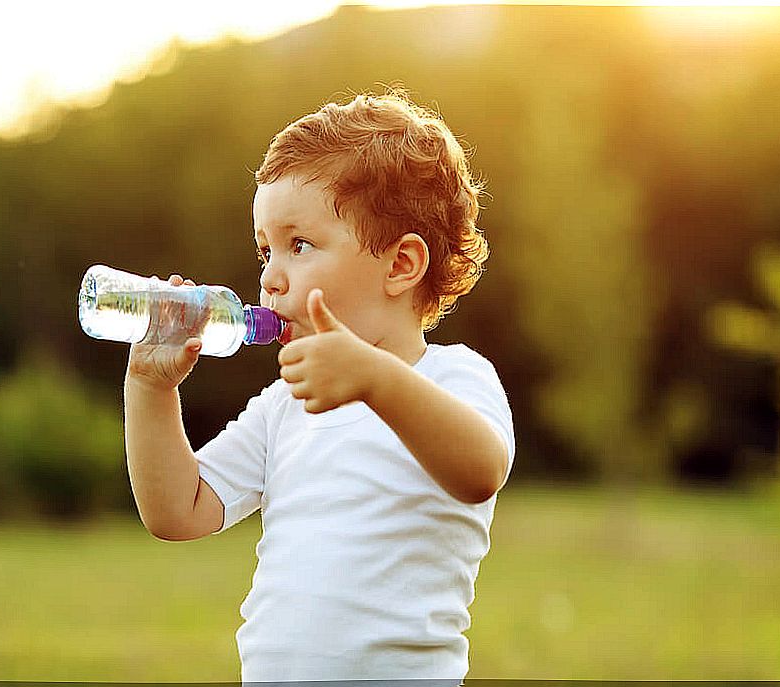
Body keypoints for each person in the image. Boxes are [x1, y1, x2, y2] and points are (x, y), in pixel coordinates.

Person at [124, 90, 515, 683]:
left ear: (401, 265)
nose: (270, 277)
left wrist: (373, 377)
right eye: (265, 251)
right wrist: (151, 389)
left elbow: (480, 470)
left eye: (298, 245)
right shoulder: (284, 406)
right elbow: (180, 511)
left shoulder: (453, 377)